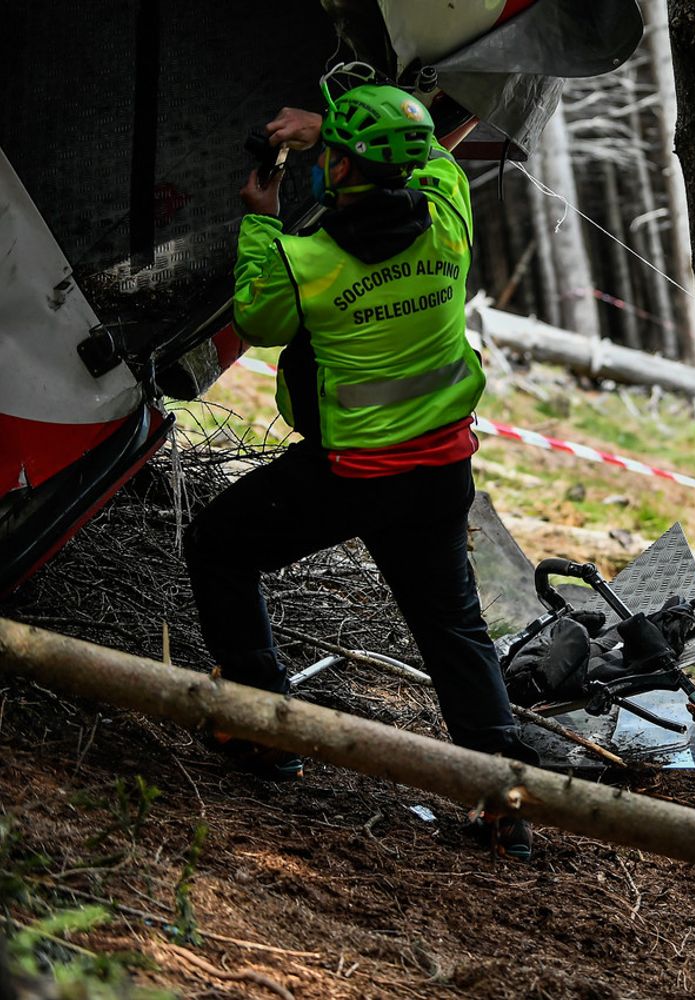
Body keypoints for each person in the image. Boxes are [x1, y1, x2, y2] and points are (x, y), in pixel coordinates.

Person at [184, 65, 538, 860]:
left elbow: (260, 321)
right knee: (453, 627)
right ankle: (504, 805)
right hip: (441, 473)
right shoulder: (447, 214)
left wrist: (262, 218)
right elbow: (433, 157)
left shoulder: (306, 259)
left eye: (332, 156)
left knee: (218, 547)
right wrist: (335, 132)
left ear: (339, 168)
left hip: (352, 477)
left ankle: (261, 728)